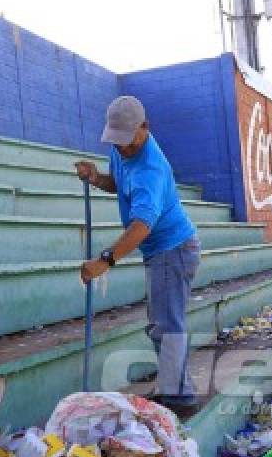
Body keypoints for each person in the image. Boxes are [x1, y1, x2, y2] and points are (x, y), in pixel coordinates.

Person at [75, 96, 201, 416]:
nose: (121, 149)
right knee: (162, 324)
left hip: (171, 250)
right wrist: (95, 178)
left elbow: (142, 225)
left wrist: (104, 260)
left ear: (144, 129)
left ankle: (180, 397)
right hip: (160, 252)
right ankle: (175, 390)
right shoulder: (122, 148)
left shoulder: (152, 169)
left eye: (127, 143)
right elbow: (118, 183)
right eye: (116, 142)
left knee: (166, 326)